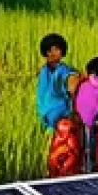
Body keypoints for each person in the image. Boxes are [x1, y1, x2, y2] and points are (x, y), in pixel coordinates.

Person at [36, 33, 83, 177]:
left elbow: (74, 90)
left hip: (64, 124)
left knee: (64, 158)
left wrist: (75, 115)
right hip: (48, 122)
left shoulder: (67, 72)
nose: (53, 53)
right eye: (49, 50)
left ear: (62, 51)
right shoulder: (44, 71)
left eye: (56, 49)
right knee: (52, 160)